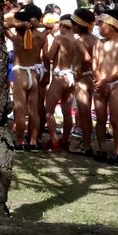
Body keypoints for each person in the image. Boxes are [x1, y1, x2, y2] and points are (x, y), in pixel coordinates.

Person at [92, 7, 118, 163]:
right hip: (100, 82)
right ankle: (101, 148)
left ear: (113, 26)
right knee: (100, 119)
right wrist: (99, 79)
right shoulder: (98, 43)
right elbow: (94, 63)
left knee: (116, 120)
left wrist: (106, 80)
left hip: (116, 84)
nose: (99, 27)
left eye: (101, 24)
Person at [6, 4, 47, 150]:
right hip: (33, 74)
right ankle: (33, 140)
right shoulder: (41, 36)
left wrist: (17, 25)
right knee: (33, 111)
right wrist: (39, 25)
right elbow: (51, 27)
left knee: (20, 110)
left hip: (20, 74)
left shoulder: (17, 38)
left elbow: (1, 25)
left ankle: (19, 141)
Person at [43, 14, 77, 152]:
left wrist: (45, 45)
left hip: (59, 76)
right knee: (67, 112)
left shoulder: (59, 38)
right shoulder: (77, 41)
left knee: (49, 110)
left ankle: (54, 140)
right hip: (71, 76)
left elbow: (49, 56)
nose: (60, 28)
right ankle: (65, 140)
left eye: (62, 26)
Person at [70, 8, 97, 156]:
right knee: (84, 113)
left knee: (85, 114)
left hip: (83, 78)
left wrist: (80, 69)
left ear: (79, 25)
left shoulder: (80, 40)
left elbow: (87, 58)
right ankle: (85, 143)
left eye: (73, 24)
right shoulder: (95, 39)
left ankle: (86, 146)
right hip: (91, 76)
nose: (72, 27)